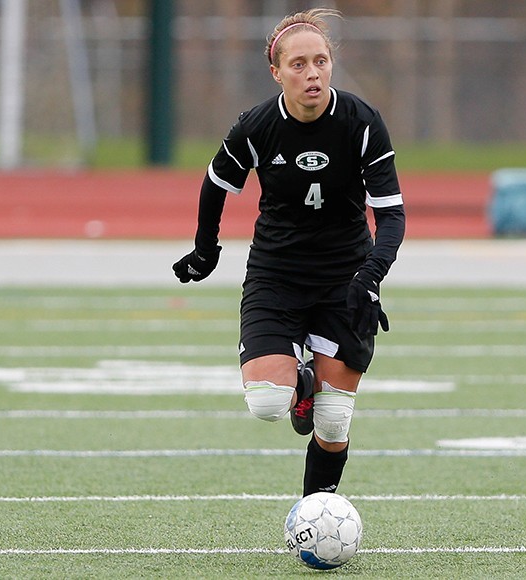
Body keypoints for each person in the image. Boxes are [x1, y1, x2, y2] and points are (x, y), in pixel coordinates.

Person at [172, 8, 405, 497]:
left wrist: (370, 277)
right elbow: (216, 183)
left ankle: (315, 515)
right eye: (298, 64)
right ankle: (301, 380)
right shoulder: (257, 126)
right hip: (276, 277)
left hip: (345, 279)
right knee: (265, 403)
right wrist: (204, 247)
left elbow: (392, 217)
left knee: (336, 421)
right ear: (276, 72)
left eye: (320, 61)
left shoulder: (362, 123)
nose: (312, 73)